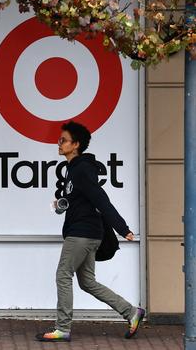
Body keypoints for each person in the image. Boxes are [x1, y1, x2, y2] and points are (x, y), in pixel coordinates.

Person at [35, 121, 145, 342]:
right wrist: (63, 204)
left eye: (63, 140)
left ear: (75, 144)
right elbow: (82, 199)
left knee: (62, 275)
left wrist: (122, 228)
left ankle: (62, 328)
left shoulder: (82, 169)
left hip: (81, 234)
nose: (59, 143)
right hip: (86, 232)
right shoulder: (73, 169)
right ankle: (131, 312)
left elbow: (100, 199)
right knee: (87, 282)